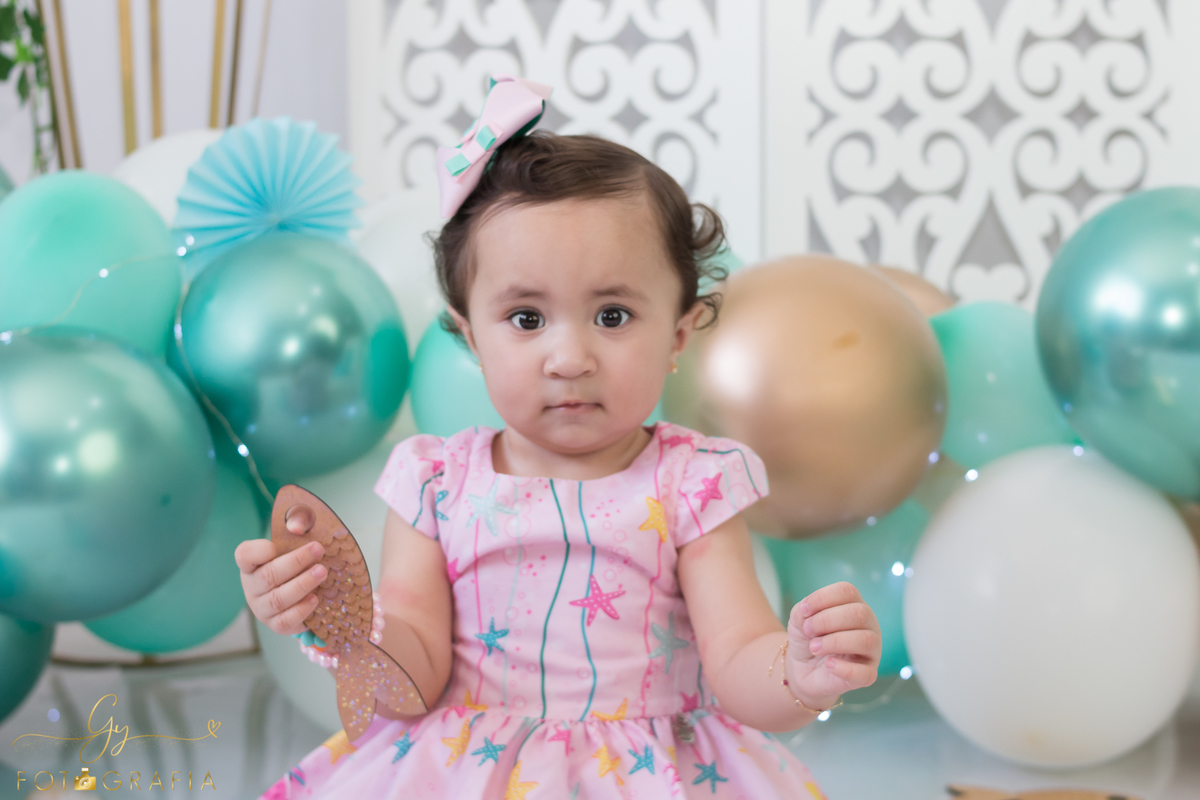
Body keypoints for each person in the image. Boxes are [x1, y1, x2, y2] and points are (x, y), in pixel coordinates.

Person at [237, 76, 882, 799]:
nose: (569, 358)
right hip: (462, 770)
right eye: (526, 319)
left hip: (650, 775)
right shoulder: (436, 485)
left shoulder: (691, 483)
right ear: (470, 337)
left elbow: (737, 662)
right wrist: (344, 622)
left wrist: (797, 671)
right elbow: (412, 681)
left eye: (612, 316)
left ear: (677, 334)